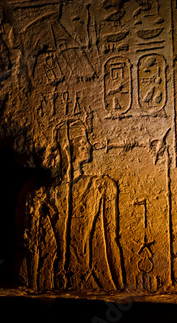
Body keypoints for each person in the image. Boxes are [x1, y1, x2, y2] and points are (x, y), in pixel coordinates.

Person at [20, 119, 124, 291]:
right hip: (54, 277)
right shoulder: (42, 193)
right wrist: (33, 285)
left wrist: (119, 285)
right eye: (82, 142)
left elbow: (111, 242)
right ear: (67, 148)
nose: (88, 146)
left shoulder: (102, 186)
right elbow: (33, 245)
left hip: (87, 276)